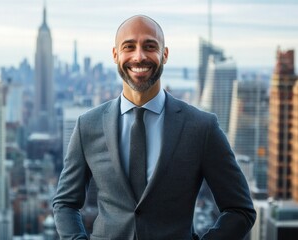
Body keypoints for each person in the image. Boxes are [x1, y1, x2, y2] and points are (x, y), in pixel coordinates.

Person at [53, 15, 256, 239]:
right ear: (115, 55)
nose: (139, 56)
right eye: (129, 47)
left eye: (150, 46)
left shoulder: (201, 127)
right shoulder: (87, 126)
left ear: (164, 54)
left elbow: (240, 210)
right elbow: (65, 203)